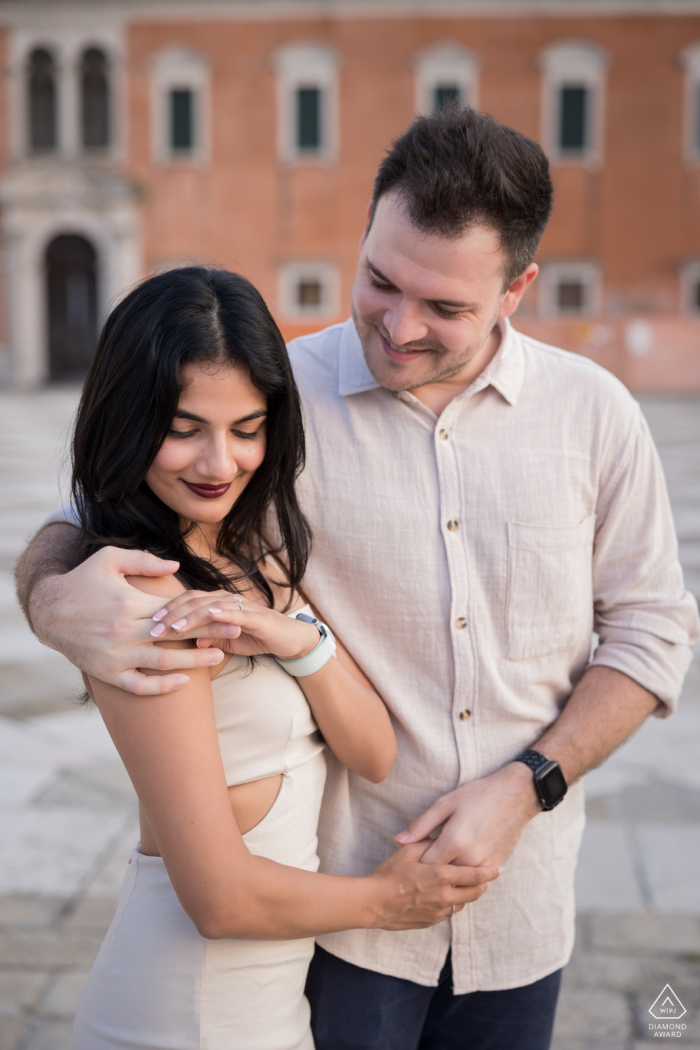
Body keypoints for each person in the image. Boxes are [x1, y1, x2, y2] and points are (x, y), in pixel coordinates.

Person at [17, 108, 699, 1050]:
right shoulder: (272, 401)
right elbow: (104, 504)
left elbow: (655, 632)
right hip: (334, 923)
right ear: (367, 231)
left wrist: (528, 784)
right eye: (379, 280)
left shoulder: (597, 414)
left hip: (523, 905)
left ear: (519, 288)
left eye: (446, 307)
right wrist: (53, 598)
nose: (399, 325)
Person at [56, 266, 499, 1050]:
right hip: (180, 1015)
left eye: (247, 428)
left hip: (266, 1012)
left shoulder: (250, 553)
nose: (219, 463)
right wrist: (386, 899)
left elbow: (373, 750)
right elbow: (219, 900)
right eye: (185, 427)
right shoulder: (143, 599)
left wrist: (300, 638)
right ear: (128, 419)